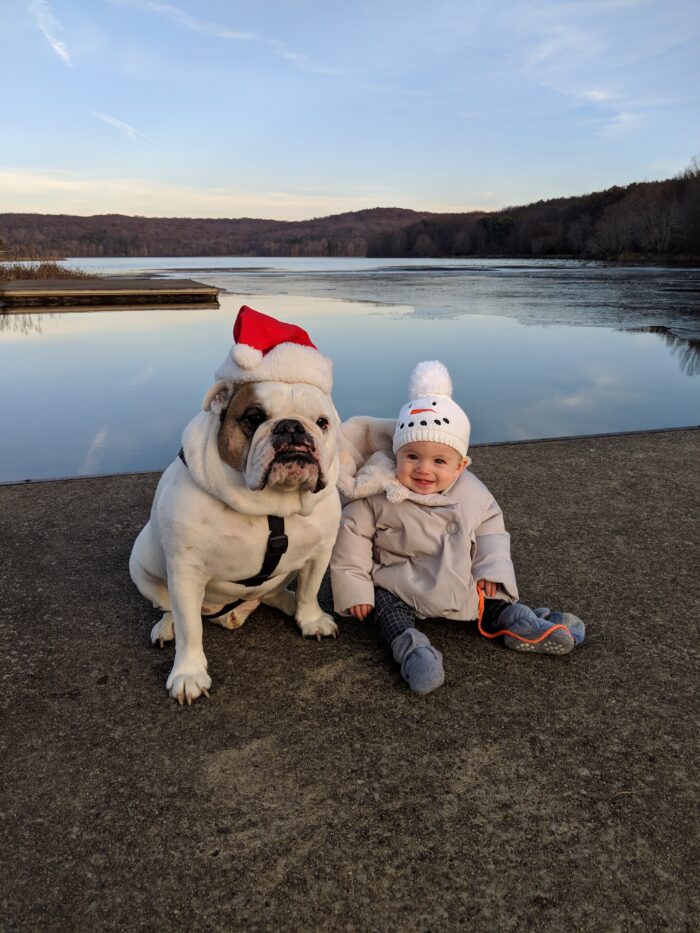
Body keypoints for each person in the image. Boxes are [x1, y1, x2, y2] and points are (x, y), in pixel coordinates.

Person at [330, 360, 585, 695]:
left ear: (461, 465)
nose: (423, 470)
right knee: (386, 614)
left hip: (460, 580)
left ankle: (521, 623)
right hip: (398, 582)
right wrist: (355, 590)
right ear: (396, 453)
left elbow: (492, 531)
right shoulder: (378, 492)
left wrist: (491, 570)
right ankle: (413, 651)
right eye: (412, 457)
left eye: (439, 461)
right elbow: (352, 539)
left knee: (488, 599)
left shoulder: (472, 493)